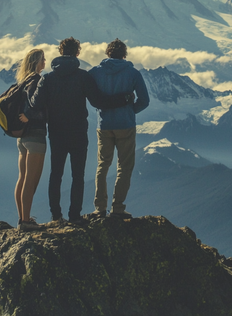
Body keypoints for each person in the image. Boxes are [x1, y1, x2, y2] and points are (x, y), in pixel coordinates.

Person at [30, 37, 133, 225]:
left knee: (56, 174)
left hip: (56, 132)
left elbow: (35, 103)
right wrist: (124, 99)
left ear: (60, 52)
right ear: (78, 53)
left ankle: (55, 216)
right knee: (78, 175)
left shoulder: (48, 78)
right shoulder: (83, 77)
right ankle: (75, 215)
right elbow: (98, 102)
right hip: (78, 132)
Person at [89, 38, 150, 219]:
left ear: (108, 53)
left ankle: (99, 208)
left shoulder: (95, 73)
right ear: (124, 54)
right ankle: (118, 208)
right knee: (124, 167)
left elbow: (91, 96)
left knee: (103, 165)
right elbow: (144, 100)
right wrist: (130, 111)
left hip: (104, 125)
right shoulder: (132, 73)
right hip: (126, 125)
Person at [14, 48, 47, 231]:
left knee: (22, 178)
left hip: (22, 137)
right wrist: (31, 115)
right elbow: (37, 104)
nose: (45, 61)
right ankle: (26, 221)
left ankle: (22, 218)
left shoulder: (23, 80)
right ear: (36, 62)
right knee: (31, 179)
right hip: (35, 135)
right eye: (43, 59)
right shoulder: (36, 81)